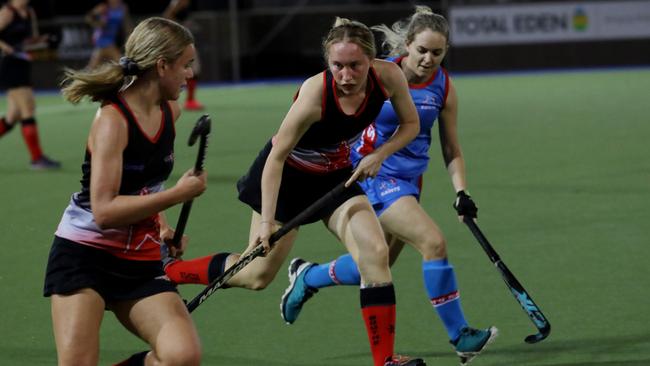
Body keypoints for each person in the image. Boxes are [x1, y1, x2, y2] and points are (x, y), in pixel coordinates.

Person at [165, 16, 425, 366]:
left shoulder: (388, 77)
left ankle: (385, 360)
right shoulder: (315, 93)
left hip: (335, 177)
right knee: (256, 275)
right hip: (286, 178)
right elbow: (276, 157)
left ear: (371, 61)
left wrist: (379, 154)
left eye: (355, 66)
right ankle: (169, 273)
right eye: (338, 66)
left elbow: (411, 124)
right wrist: (266, 223)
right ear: (327, 62)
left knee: (375, 253)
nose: (346, 75)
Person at [279, 7, 498, 366]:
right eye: (422, 50)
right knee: (433, 242)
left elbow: (451, 147)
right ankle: (461, 336)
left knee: (376, 265)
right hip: (375, 175)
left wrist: (462, 191)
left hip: (410, 180)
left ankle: (309, 276)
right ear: (407, 45)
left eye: (437, 52)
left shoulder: (443, 85)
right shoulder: (380, 74)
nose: (429, 59)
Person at [43, 17, 206, 366]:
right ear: (162, 66)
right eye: (185, 65)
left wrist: (161, 224)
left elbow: (147, 185)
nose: (189, 75)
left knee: (182, 356)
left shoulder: (169, 112)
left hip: (139, 261)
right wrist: (178, 195)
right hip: (84, 256)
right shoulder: (112, 120)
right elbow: (104, 211)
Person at [0, 0, 60, 169]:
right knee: (28, 109)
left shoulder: (30, 12)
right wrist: (6, 47)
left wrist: (44, 40)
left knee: (12, 117)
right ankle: (37, 159)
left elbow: (31, 39)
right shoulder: (8, 11)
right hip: (10, 65)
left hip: (24, 64)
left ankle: (37, 158)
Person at [163, 0, 203, 110]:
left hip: (185, 40)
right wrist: (181, 28)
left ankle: (190, 100)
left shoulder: (185, 2)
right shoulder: (178, 2)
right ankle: (188, 100)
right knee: (191, 68)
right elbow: (166, 17)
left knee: (194, 70)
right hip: (180, 41)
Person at [85, 0, 133, 69]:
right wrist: (98, 23)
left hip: (111, 41)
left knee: (93, 68)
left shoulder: (123, 7)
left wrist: (131, 35)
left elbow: (126, 24)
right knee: (122, 66)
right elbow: (89, 18)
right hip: (103, 40)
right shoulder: (104, 7)